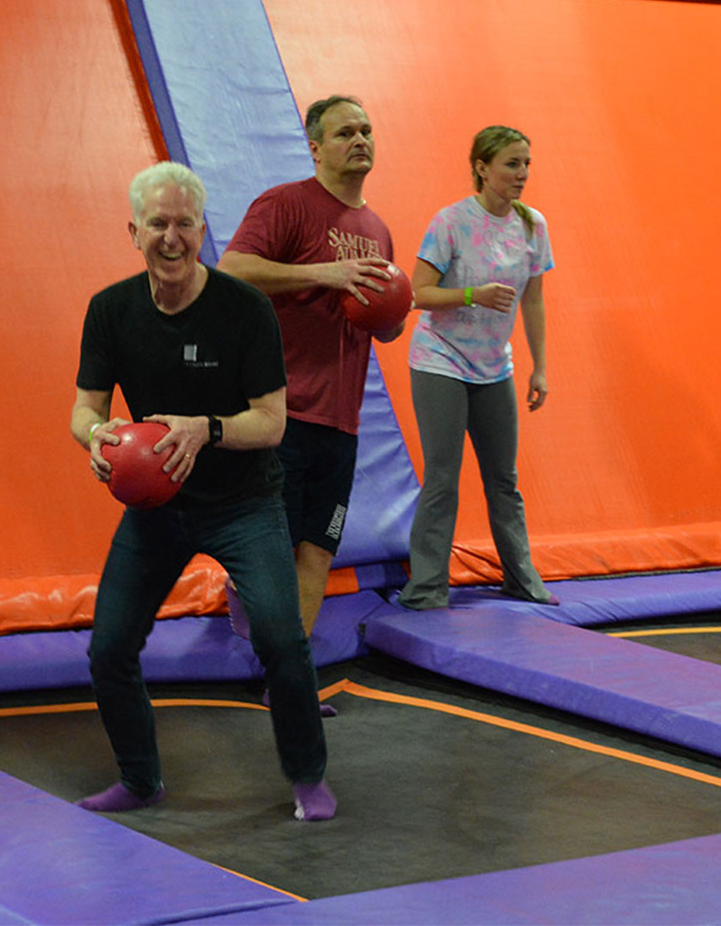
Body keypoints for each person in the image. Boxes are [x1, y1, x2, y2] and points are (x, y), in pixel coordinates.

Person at [72, 161, 335, 822]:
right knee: (108, 649)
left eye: (184, 223)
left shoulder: (243, 310)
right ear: (133, 231)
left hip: (243, 504)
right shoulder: (110, 310)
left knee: (281, 637)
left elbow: (271, 422)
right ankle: (139, 780)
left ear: (201, 229)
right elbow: (83, 411)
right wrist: (99, 438)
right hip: (156, 508)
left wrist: (204, 429)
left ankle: (308, 778)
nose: (171, 237)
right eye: (157, 223)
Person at [219, 96, 405, 648]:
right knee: (273, 548)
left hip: (340, 423)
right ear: (316, 147)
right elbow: (232, 271)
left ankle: (289, 678)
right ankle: (246, 597)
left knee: (319, 549)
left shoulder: (377, 229)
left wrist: (392, 315)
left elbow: (381, 323)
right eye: (345, 132)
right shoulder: (286, 204)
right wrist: (326, 273)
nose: (360, 140)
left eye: (367, 130)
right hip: (281, 412)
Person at [399, 126, 556, 610]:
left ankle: (521, 578)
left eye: (527, 163)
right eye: (512, 164)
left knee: (502, 479)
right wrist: (472, 294)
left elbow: (534, 299)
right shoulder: (450, 223)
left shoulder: (532, 226)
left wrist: (539, 367)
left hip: (494, 367)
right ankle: (426, 586)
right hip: (441, 359)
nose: (522, 174)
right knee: (443, 477)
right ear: (482, 168)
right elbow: (416, 294)